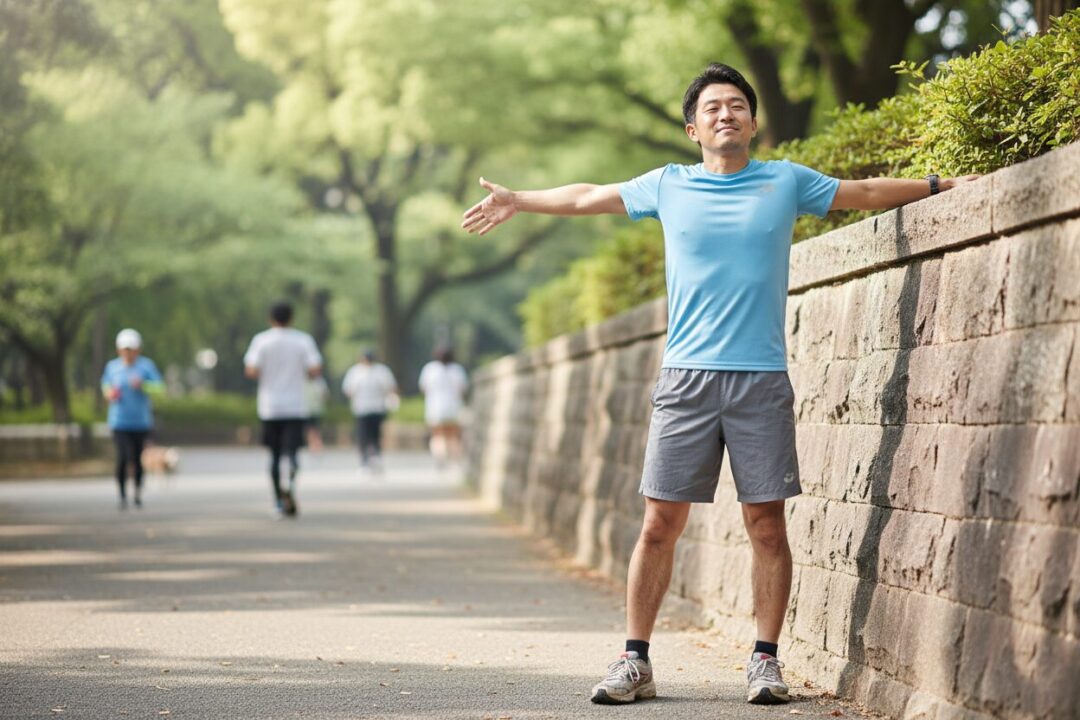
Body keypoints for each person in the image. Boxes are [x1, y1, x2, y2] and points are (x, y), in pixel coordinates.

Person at [462, 63, 979, 706]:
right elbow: (587, 194)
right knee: (659, 524)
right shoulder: (668, 186)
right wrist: (521, 199)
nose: (725, 114)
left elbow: (864, 192)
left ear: (754, 123)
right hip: (685, 380)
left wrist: (943, 183)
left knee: (766, 524)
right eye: (712, 108)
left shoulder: (785, 181)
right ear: (692, 128)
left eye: (737, 105)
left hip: (760, 381)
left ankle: (764, 661)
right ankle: (636, 660)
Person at [244, 301, 323, 518]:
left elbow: (251, 370)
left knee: (275, 455)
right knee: (293, 452)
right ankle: (290, 482)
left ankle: (278, 500)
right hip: (295, 406)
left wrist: (269, 372)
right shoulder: (302, 340)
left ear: (270, 318)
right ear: (291, 318)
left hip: (270, 407)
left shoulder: (262, 340)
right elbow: (315, 369)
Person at [100, 328, 164, 510]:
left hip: (141, 422)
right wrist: (110, 394)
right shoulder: (112, 368)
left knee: (137, 459)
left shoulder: (146, 367)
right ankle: (121, 495)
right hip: (119, 421)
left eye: (132, 349)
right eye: (125, 350)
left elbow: (159, 387)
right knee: (123, 457)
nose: (128, 353)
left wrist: (144, 386)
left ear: (138, 350)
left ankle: (137, 492)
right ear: (119, 350)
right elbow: (105, 387)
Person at [341, 349, 398, 473]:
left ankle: (376, 458)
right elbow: (348, 390)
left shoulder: (381, 371)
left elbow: (390, 387)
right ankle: (364, 460)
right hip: (361, 409)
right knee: (363, 435)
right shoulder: (355, 372)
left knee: (376, 434)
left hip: (377, 408)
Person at [417, 347, 468, 466]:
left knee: (437, 434)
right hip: (453, 408)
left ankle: (440, 455)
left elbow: (423, 388)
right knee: (452, 435)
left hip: (435, 407)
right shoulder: (457, 370)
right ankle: (453, 458)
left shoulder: (430, 369)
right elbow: (463, 388)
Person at [304, 374, 330, 454]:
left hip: (317, 409)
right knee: (309, 429)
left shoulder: (319, 381)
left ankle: (317, 444)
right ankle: (312, 445)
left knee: (316, 428)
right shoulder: (303, 380)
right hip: (305, 410)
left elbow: (325, 394)